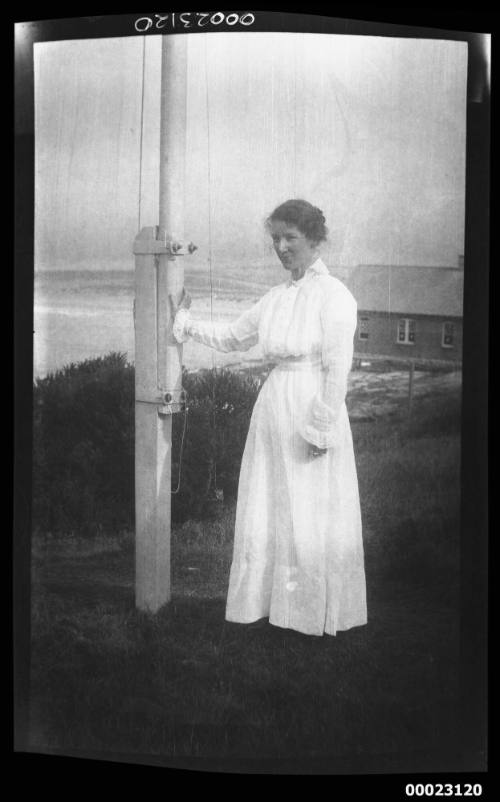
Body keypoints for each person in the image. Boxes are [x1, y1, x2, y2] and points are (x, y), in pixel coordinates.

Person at [171, 199, 367, 637]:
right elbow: (233, 337)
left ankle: (310, 614)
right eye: (275, 238)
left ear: (315, 240)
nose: (280, 247)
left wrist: (321, 427)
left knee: (309, 511)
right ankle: (269, 608)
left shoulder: (335, 296)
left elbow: (338, 369)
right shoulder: (275, 298)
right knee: (268, 506)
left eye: (289, 238)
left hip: (312, 408)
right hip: (273, 406)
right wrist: (184, 321)